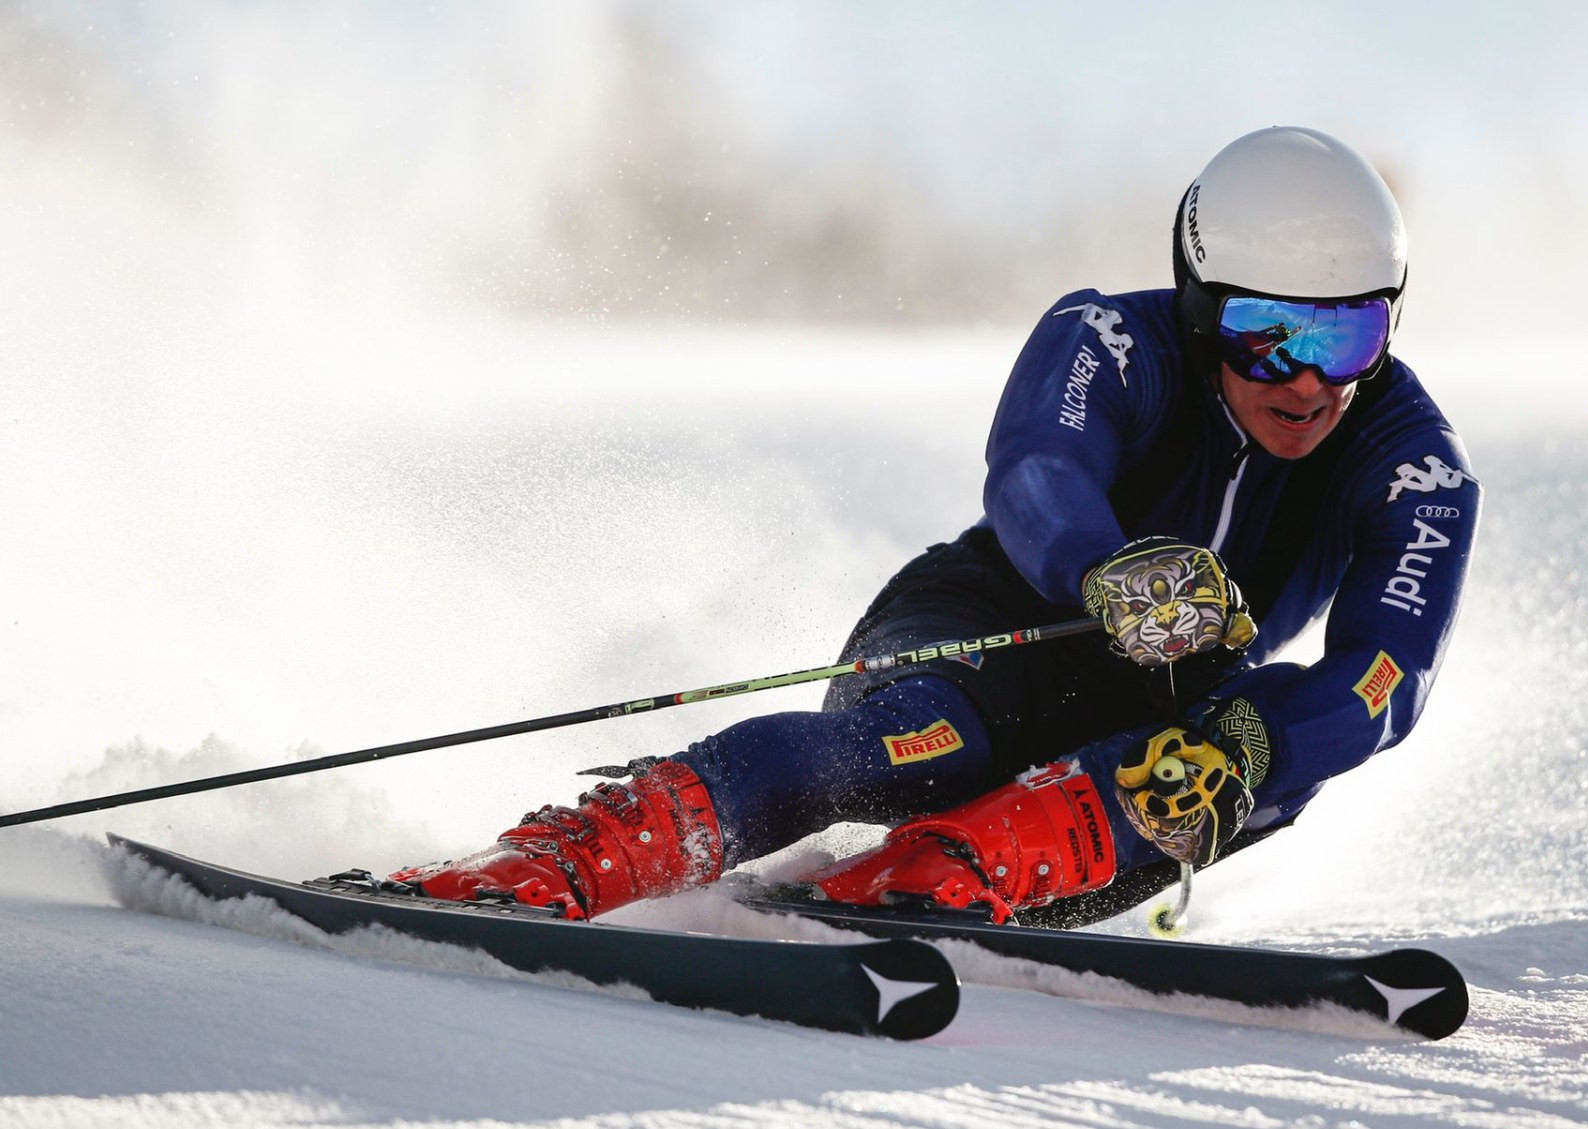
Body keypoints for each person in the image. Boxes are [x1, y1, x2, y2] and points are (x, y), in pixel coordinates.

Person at [391, 126, 1481, 926]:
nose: (1308, 382)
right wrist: (1105, 572)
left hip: (1158, 714)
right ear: (1201, 306)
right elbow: (1036, 469)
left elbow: (1387, 676)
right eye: (1266, 335)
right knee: (931, 745)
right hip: (988, 633)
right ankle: (570, 856)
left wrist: (1261, 742)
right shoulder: (1111, 339)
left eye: (1349, 338)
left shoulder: (1414, 466)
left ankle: (944, 873)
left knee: (1231, 756)